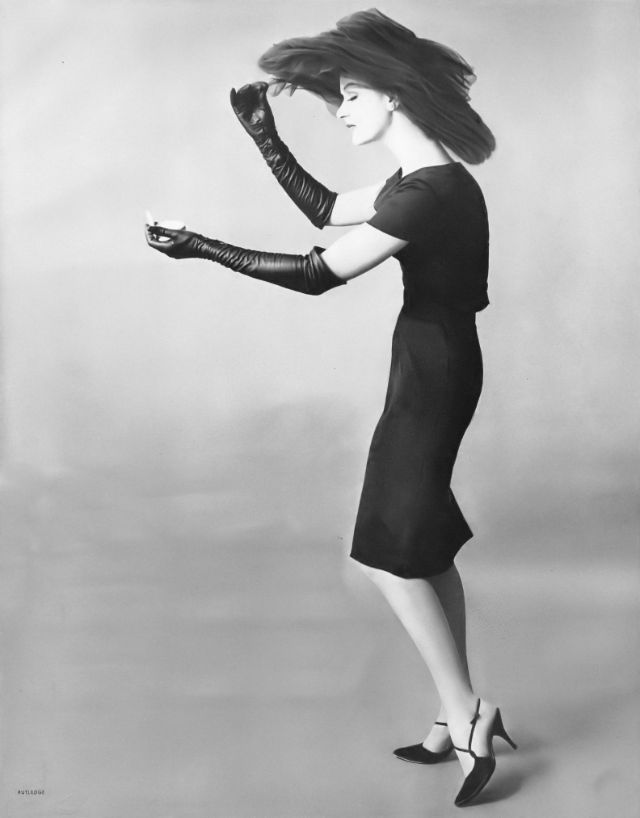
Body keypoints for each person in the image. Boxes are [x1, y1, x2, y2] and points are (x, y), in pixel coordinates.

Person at [146, 8, 517, 808]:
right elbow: (325, 211)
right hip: (432, 361)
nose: (341, 109)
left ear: (393, 94)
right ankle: (453, 711)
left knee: (387, 555)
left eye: (350, 94)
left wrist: (200, 246)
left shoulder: (431, 193)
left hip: (434, 372)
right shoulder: (421, 182)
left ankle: (468, 714)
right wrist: (265, 137)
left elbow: (318, 274)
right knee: (423, 548)